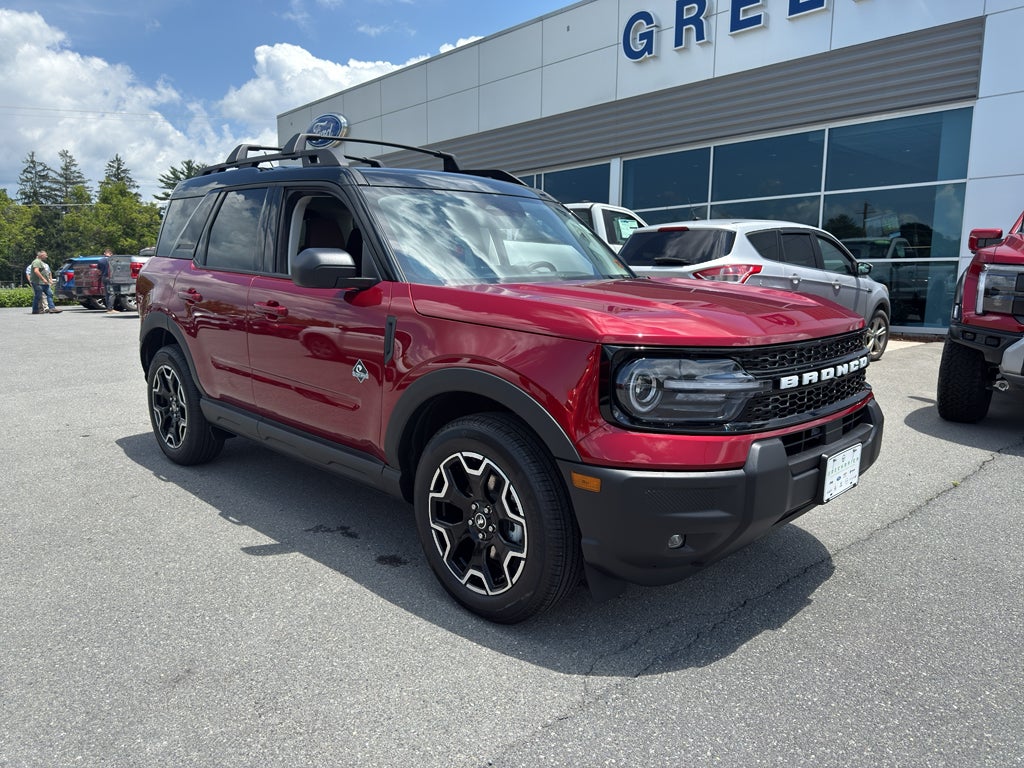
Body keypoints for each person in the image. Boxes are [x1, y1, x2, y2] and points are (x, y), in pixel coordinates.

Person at [29, 250, 62, 314]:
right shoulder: (36, 262)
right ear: (41, 256)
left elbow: (45, 272)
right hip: (38, 283)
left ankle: (52, 308)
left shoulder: (41, 262)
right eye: (45, 255)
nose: (46, 256)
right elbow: (36, 271)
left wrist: (48, 280)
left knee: (50, 294)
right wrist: (43, 279)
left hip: (44, 283)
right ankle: (35, 310)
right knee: (38, 296)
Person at [102, 248, 120, 314]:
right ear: (111, 254)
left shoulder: (100, 260)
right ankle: (110, 309)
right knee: (112, 293)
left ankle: (108, 308)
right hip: (110, 277)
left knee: (107, 294)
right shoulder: (112, 260)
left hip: (103, 277)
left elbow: (98, 269)